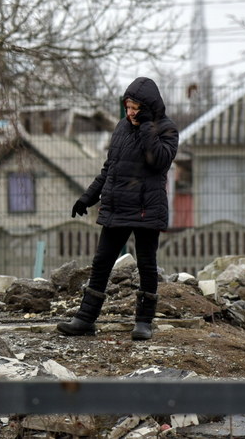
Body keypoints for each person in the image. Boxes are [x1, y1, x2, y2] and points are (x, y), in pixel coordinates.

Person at [58, 76, 179, 340]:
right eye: (128, 107)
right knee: (101, 263)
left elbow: (158, 161)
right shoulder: (121, 128)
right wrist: (88, 197)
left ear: (148, 106)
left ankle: (144, 323)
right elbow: (109, 169)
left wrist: (146, 126)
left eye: (136, 108)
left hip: (148, 208)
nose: (131, 113)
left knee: (147, 265)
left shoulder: (167, 129)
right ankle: (85, 320)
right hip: (117, 207)